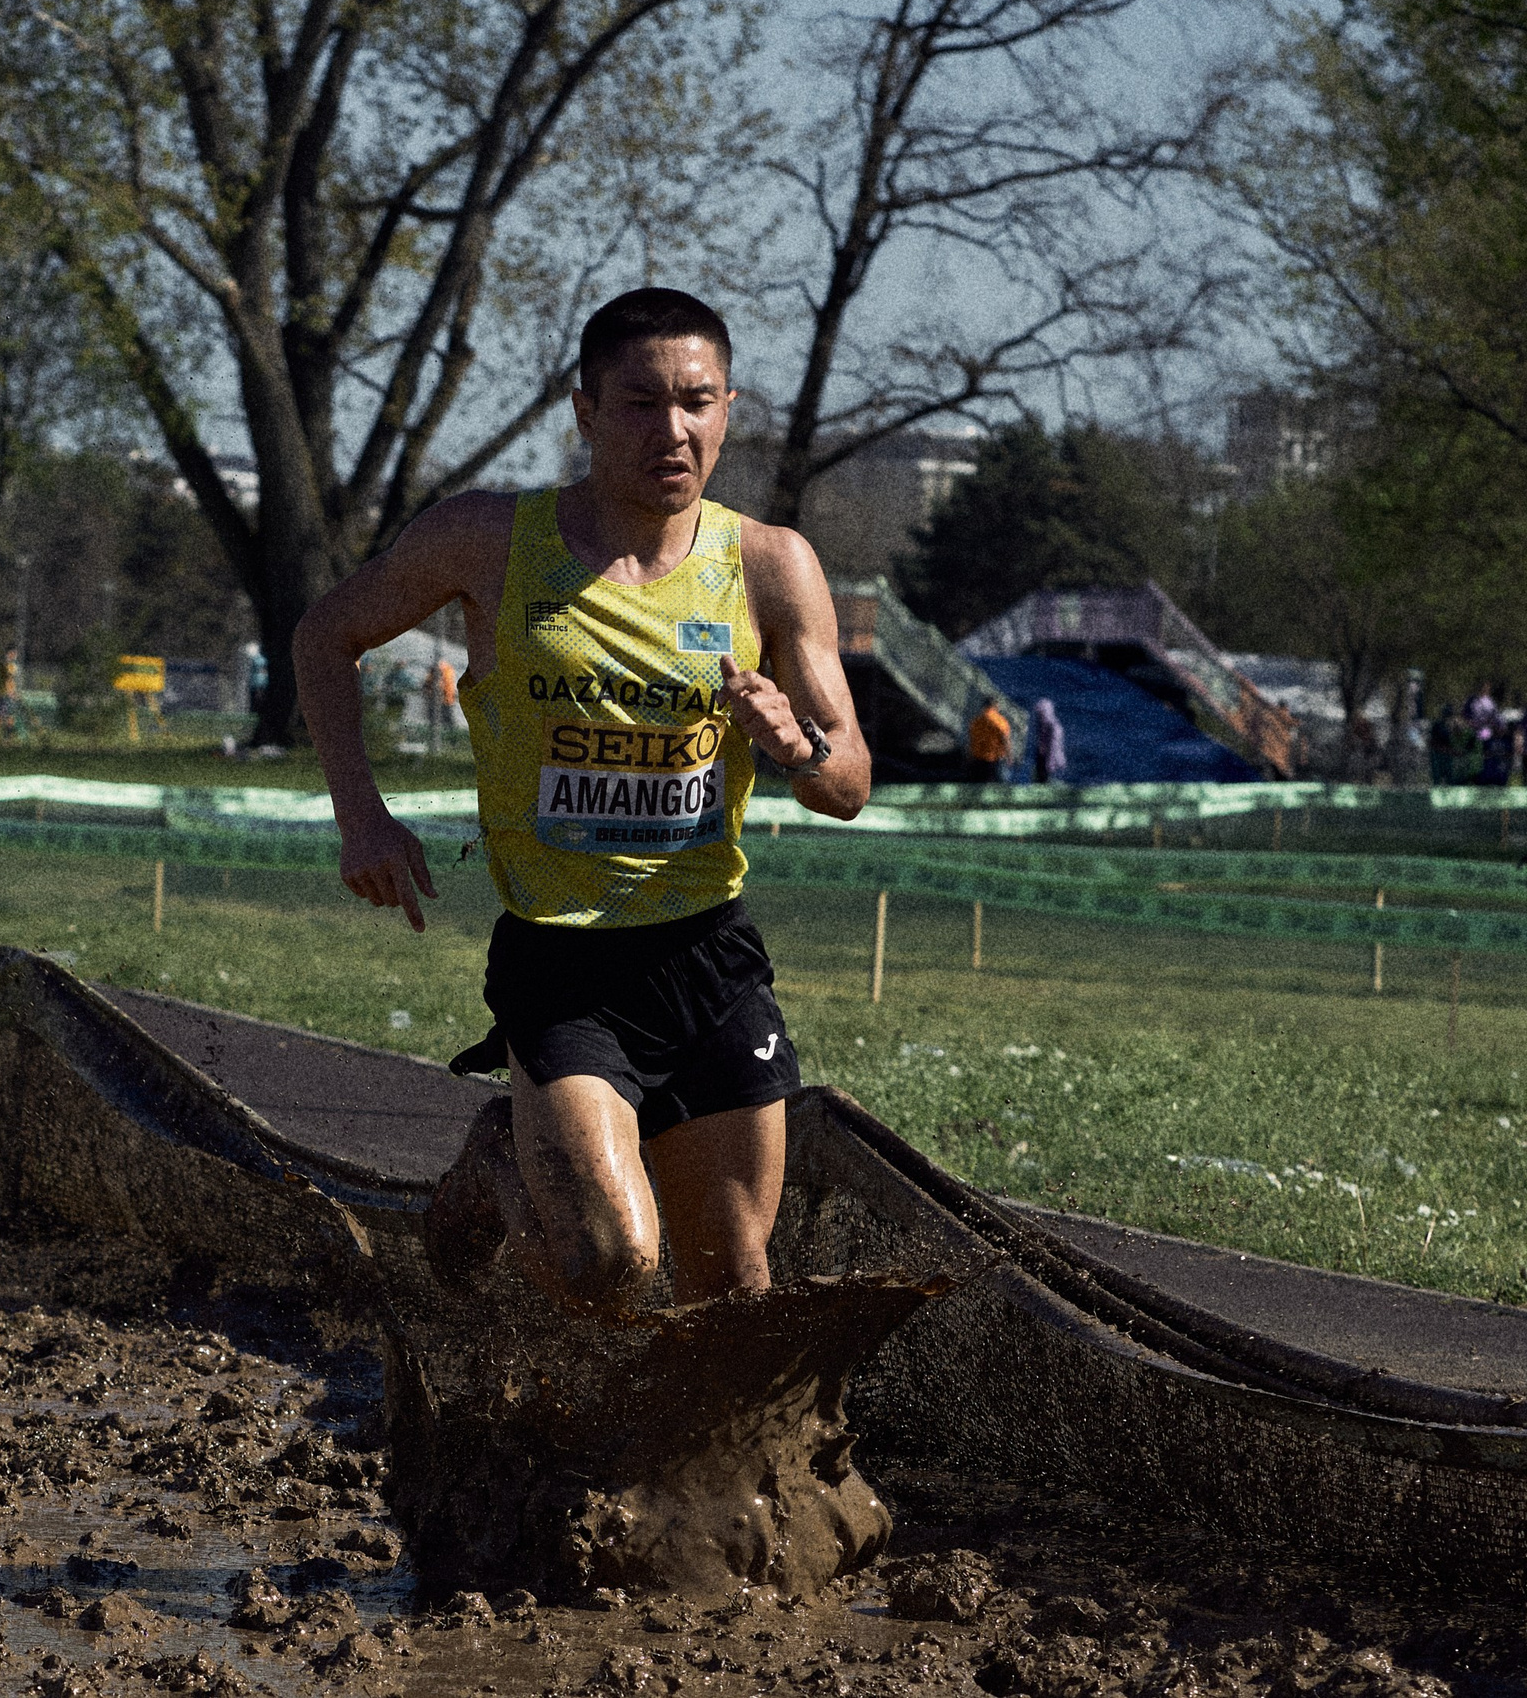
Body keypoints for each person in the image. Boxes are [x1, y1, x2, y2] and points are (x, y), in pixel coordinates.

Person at [293, 287, 869, 1316]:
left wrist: (796, 745)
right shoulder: (487, 541)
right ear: (586, 412)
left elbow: (848, 785)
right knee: (613, 1266)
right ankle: (501, 1172)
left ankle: (685, 1474)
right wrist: (362, 817)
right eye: (641, 402)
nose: (673, 429)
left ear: (729, 408)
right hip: (562, 961)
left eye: (696, 401)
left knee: (732, 1285)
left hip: (707, 957)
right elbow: (323, 637)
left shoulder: (771, 566)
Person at [965, 698, 1013, 783]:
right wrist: (1009, 756)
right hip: (993, 759)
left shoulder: (976, 721)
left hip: (977, 758)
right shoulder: (1000, 721)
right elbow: (1005, 739)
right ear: (995, 706)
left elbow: (971, 740)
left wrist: (969, 756)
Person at [1030, 697, 1067, 785]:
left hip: (1050, 757)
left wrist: (1050, 763)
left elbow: (1054, 747)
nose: (1038, 716)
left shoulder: (1054, 727)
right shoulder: (1041, 724)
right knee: (1039, 777)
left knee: (1046, 778)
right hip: (1042, 755)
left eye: (1041, 714)